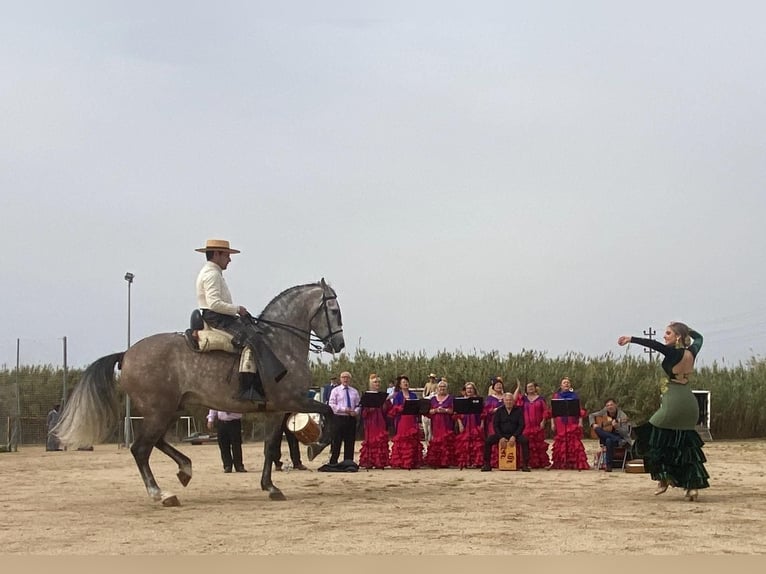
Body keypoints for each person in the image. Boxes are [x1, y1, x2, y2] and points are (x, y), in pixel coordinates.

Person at [618, 322, 709, 500]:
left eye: (668, 333)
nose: (664, 336)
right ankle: (691, 488)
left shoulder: (673, 352)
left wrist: (631, 339)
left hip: (673, 401)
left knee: (650, 436)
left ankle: (663, 477)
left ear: (678, 337)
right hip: (690, 403)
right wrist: (687, 329)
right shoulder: (692, 351)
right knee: (683, 445)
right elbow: (700, 338)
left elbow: (653, 345)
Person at [194, 238, 286, 402]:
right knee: (252, 339)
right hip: (217, 318)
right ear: (217, 254)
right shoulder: (211, 274)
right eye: (227, 255)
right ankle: (247, 387)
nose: (229, 259)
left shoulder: (214, 273)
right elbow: (214, 303)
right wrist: (237, 309)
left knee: (257, 332)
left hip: (221, 316)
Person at [547, 377, 590, 470]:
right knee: (561, 441)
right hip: (560, 422)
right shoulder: (556, 396)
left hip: (572, 421)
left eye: (568, 382)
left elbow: (579, 410)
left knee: (573, 440)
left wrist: (580, 421)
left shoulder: (575, 396)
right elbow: (553, 412)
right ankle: (561, 463)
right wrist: (552, 423)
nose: (566, 384)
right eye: (564, 382)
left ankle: (575, 463)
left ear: (570, 385)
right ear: (561, 385)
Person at [482, 392, 531, 472]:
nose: (509, 402)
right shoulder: (499, 411)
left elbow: (521, 425)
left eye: (510, 400)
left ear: (513, 401)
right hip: (501, 435)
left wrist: (514, 436)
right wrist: (501, 437)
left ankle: (525, 465)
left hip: (515, 435)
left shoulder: (518, 410)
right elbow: (495, 425)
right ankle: (487, 464)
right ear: (504, 401)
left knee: (525, 440)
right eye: (507, 400)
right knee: (488, 441)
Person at [387, 375, 424, 469]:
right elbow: (394, 408)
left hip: (412, 419)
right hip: (402, 420)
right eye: (403, 382)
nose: (406, 383)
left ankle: (413, 461)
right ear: (400, 385)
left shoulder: (413, 395)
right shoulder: (398, 395)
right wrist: (402, 407)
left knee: (413, 440)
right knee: (403, 440)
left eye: (407, 382)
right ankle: (402, 461)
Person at [588, 398, 631, 472]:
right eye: (607, 405)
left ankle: (609, 466)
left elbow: (625, 432)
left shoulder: (622, 416)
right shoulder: (604, 411)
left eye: (611, 405)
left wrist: (617, 427)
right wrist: (593, 424)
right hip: (612, 437)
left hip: (619, 436)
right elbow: (591, 415)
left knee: (609, 440)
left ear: (616, 405)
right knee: (597, 429)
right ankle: (619, 440)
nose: (609, 407)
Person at [359, 373, 390, 469]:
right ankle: (369, 461)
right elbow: (363, 412)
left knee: (380, 440)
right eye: (375, 382)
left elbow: (387, 410)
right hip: (370, 422)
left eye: (378, 382)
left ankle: (379, 461)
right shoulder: (366, 395)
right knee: (371, 441)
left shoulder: (382, 395)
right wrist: (369, 410)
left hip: (380, 421)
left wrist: (385, 404)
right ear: (371, 383)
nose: (377, 384)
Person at [328, 371, 361, 464]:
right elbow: (332, 404)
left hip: (351, 419)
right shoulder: (335, 391)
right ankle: (333, 461)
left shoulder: (354, 391)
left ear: (350, 379)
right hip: (339, 418)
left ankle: (348, 461)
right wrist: (343, 409)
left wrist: (356, 412)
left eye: (347, 377)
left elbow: (359, 405)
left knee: (350, 441)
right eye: (343, 377)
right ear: (340, 379)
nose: (345, 379)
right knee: (336, 441)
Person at [424, 380, 455, 468]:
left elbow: (454, 411)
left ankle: (446, 461)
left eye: (444, 387)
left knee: (446, 441)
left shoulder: (451, 398)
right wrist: (435, 410)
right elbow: (428, 411)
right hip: (436, 424)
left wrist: (445, 410)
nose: (442, 388)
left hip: (447, 423)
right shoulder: (433, 399)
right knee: (436, 441)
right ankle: (436, 461)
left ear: (447, 388)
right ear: (437, 388)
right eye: (440, 387)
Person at [454, 382, 484, 469]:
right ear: (465, 390)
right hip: (465, 424)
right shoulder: (461, 401)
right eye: (468, 388)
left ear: (474, 390)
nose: (469, 390)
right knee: (464, 443)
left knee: (477, 443)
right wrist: (460, 424)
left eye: (471, 388)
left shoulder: (478, 400)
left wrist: (482, 423)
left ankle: (477, 461)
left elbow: (483, 413)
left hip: (476, 424)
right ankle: (465, 461)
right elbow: (457, 414)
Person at [521, 382, 550, 469]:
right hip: (526, 425)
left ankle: (540, 463)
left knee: (539, 444)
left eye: (532, 386)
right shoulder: (523, 399)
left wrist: (543, 421)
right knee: (527, 444)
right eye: (528, 387)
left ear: (535, 388)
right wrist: (518, 387)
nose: (530, 388)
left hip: (538, 425)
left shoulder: (540, 399)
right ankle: (527, 462)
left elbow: (545, 411)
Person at [482, 377, 505, 468]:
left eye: (500, 385)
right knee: (493, 440)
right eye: (497, 385)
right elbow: (487, 410)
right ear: (493, 387)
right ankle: (494, 461)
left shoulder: (506, 396)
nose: (499, 386)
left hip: (505, 422)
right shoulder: (490, 398)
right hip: (493, 422)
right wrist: (496, 409)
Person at [421, 373, 439, 443]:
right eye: (431, 378)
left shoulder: (436, 385)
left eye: (433, 378)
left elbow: (436, 392)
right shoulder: (427, 384)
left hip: (432, 397)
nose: (431, 379)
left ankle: (430, 438)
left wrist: (433, 395)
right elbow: (424, 391)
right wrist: (424, 396)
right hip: (427, 397)